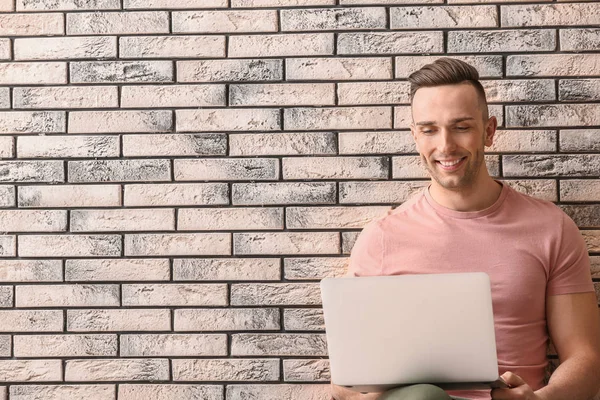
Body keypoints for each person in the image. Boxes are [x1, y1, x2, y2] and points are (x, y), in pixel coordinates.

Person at [330, 58, 600, 400]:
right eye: (429, 129)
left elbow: (586, 362)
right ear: (415, 136)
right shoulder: (381, 238)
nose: (445, 146)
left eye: (461, 126)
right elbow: (344, 381)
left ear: (488, 131)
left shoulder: (551, 228)